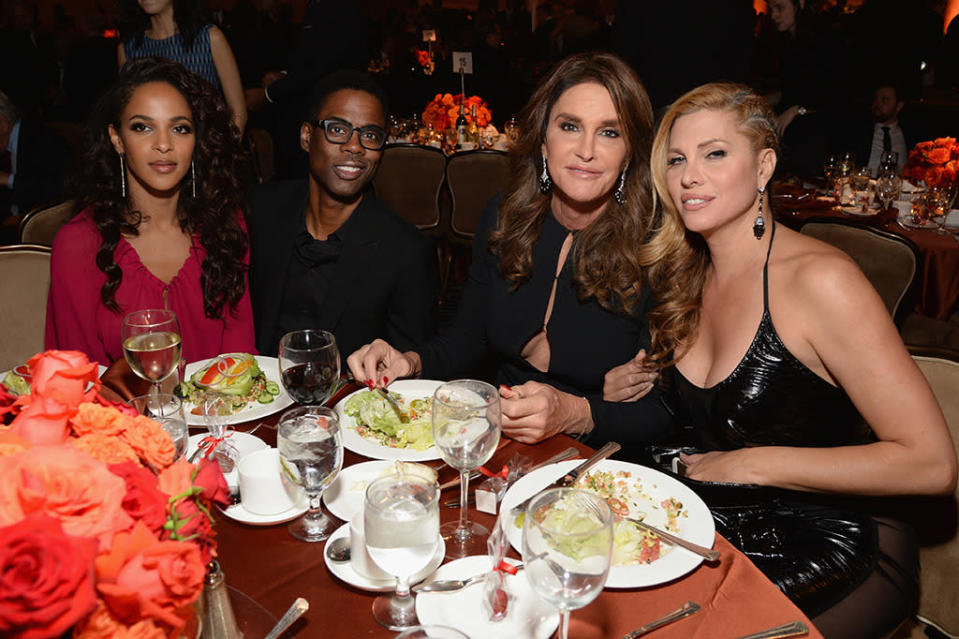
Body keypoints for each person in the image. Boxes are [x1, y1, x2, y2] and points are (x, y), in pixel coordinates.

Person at [619, 82, 956, 638]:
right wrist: (628, 387)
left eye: (715, 154)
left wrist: (754, 464)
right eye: (677, 159)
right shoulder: (686, 273)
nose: (688, 176)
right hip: (720, 517)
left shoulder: (821, 282)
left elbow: (932, 465)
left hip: (837, 542)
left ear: (764, 165)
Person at [348, 52, 669, 450]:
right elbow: (467, 339)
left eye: (609, 132)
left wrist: (580, 411)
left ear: (629, 152)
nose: (586, 150)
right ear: (543, 140)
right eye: (570, 126)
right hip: (496, 439)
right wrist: (409, 361)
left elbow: (667, 415)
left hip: (598, 460)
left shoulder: (657, 247)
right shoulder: (505, 217)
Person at [45, 57, 255, 368]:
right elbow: (80, 378)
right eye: (142, 127)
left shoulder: (224, 228)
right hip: (119, 416)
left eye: (180, 128)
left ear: (196, 140)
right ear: (117, 139)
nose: (163, 144)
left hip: (220, 414)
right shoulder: (78, 244)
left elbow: (240, 358)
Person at [247, 70, 438, 360]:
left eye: (370, 135)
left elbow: (409, 370)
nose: (354, 146)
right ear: (306, 137)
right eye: (338, 129)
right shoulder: (258, 213)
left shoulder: (406, 252)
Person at [118, 0, 246, 134]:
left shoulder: (209, 38)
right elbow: (126, 114)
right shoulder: (129, 49)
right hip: (153, 149)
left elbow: (238, 112)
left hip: (207, 148)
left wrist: (223, 152)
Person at [0, 90, 71, 242]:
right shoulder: (5, 144)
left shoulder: (42, 140)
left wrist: (9, 180)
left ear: (2, 123)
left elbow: (57, 189)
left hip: (39, 228)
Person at [861, 82, 909, 175]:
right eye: (876, 99)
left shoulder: (909, 135)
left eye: (885, 100)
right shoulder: (861, 132)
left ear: (899, 106)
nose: (877, 104)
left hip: (898, 187)